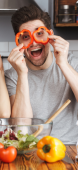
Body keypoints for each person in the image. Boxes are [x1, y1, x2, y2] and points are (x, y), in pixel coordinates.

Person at [5, 5, 78, 144]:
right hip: (30, 149)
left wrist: (63, 64)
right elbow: (21, 128)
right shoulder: (12, 75)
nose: (33, 41)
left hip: (67, 148)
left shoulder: (72, 64)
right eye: (26, 37)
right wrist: (22, 74)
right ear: (19, 41)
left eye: (39, 33)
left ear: (50, 35)